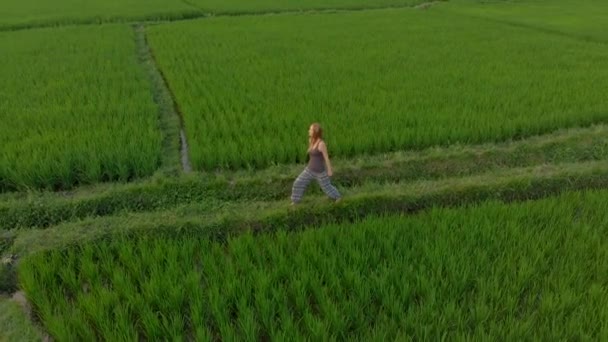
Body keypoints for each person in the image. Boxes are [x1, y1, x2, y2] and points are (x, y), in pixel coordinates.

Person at [291, 123, 342, 205]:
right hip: (309, 169)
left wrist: (329, 170)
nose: (309, 131)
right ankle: (295, 201)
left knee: (326, 187)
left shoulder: (321, 144)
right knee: (298, 182)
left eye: (310, 130)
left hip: (320, 171)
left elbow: (326, 158)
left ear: (315, 132)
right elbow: (311, 154)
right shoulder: (311, 140)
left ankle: (338, 197)